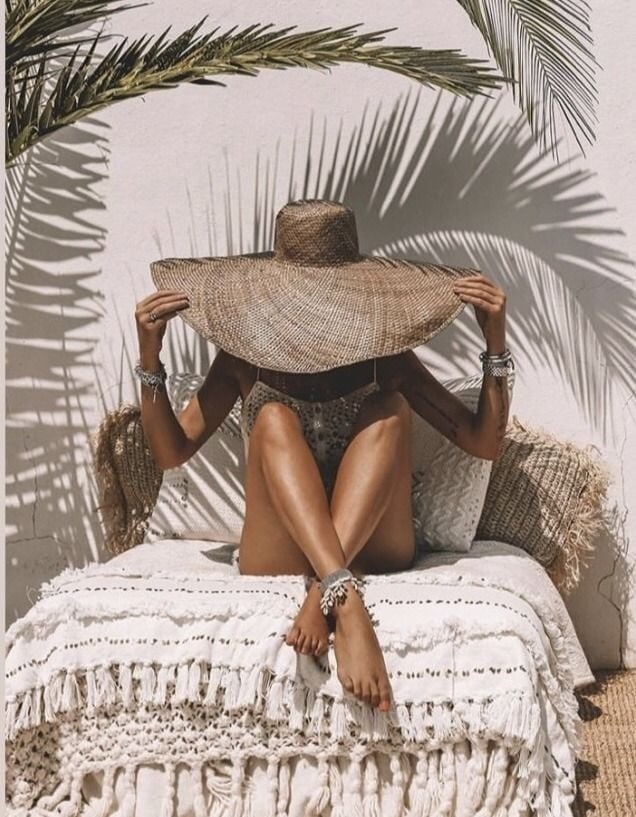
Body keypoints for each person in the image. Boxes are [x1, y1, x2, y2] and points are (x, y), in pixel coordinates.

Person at [134, 199, 512, 713]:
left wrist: (494, 344)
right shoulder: (244, 359)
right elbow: (171, 452)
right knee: (272, 420)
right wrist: (150, 358)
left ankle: (327, 591)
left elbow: (482, 442)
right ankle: (344, 595)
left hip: (376, 544)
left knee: (389, 409)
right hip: (278, 550)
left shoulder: (387, 357)